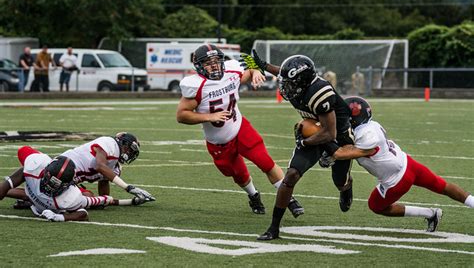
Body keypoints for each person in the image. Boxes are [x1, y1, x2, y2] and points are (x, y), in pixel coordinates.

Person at [176, 44, 304, 217]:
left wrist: (255, 71)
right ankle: (253, 195)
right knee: (238, 174)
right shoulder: (196, 86)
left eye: (216, 61)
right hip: (219, 142)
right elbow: (181, 115)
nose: (214, 65)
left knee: (265, 162)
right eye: (208, 62)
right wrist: (208, 117)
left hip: (240, 128)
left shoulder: (231, 72)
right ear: (199, 66)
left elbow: (248, 72)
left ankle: (289, 199)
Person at [241, 51, 354, 240]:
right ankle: (274, 228)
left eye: (290, 83)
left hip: (337, 136)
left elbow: (329, 133)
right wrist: (264, 66)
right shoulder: (298, 82)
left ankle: (346, 187)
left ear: (302, 82)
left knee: (339, 180)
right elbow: (284, 73)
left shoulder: (319, 93)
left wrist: (304, 141)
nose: (285, 86)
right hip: (314, 129)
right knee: (291, 175)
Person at [320, 96, 474, 232]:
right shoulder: (371, 125)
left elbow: (343, 153)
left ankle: (430, 213)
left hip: (396, 179)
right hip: (408, 163)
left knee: (375, 205)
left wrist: (326, 145)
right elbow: (350, 147)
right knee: (443, 186)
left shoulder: (366, 135)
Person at [12, 132, 155, 209]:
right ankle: (27, 195)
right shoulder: (110, 143)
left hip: (69, 183)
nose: (129, 153)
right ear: (123, 143)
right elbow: (99, 165)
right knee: (25, 152)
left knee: (87, 196)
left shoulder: (115, 168)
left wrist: (130, 201)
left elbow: (104, 193)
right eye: (129, 149)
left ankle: (31, 200)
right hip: (58, 170)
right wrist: (128, 187)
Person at [0, 149, 149, 222]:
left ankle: (28, 201)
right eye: (51, 181)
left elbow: (86, 211)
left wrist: (62, 217)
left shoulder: (71, 197)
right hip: (35, 193)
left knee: (89, 196)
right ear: (45, 170)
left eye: (56, 185)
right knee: (23, 151)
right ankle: (28, 200)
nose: (50, 187)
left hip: (38, 200)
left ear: (70, 185)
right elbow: (10, 181)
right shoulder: (35, 165)